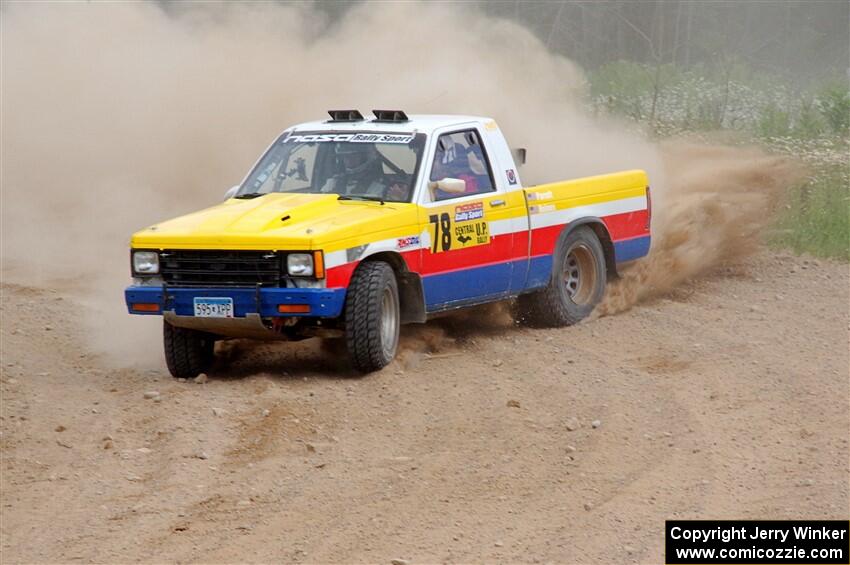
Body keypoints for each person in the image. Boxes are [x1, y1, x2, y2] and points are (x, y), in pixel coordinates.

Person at [321, 144, 387, 197]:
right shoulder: (332, 183)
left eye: (354, 156)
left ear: (364, 157)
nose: (349, 160)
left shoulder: (377, 187)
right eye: (346, 156)